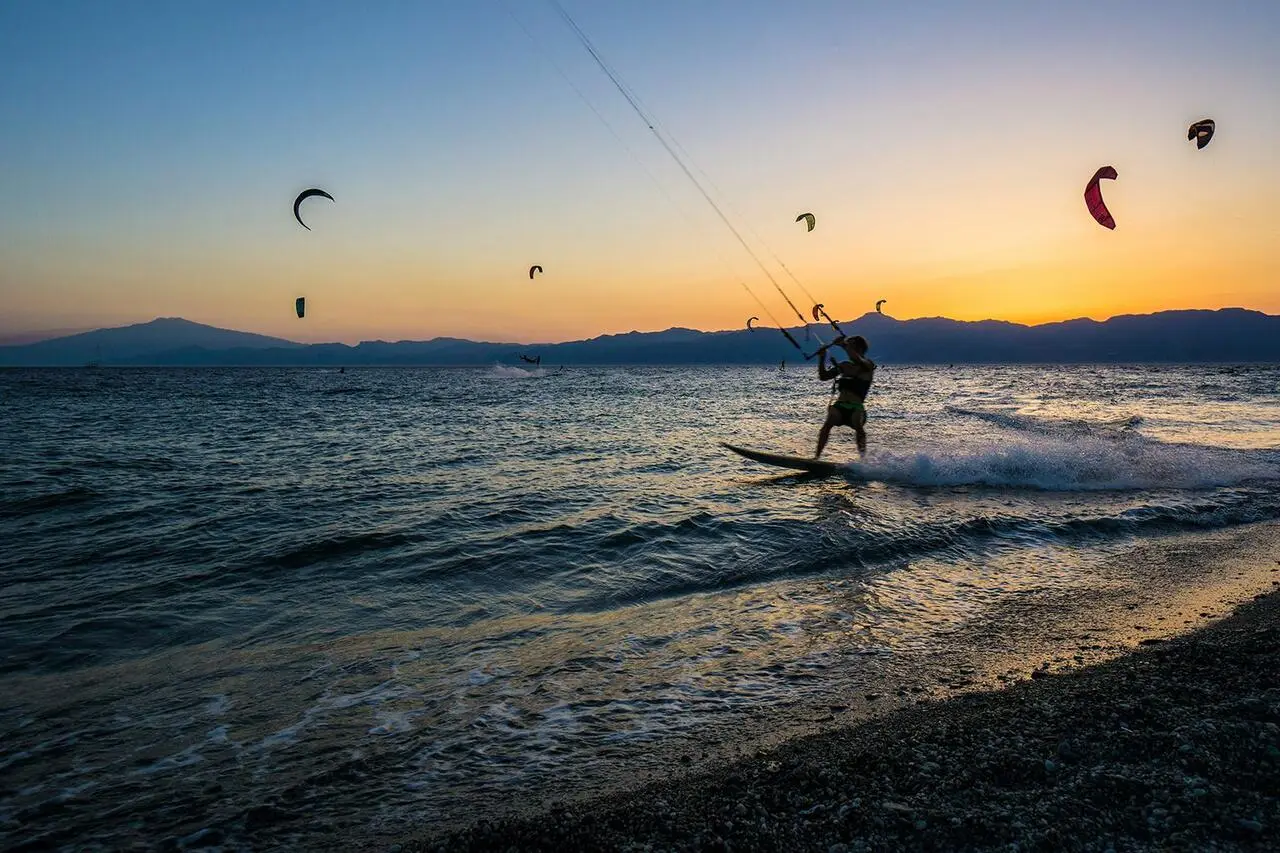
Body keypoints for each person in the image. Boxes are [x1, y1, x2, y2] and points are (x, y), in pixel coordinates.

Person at [815, 335, 875, 458]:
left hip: (856, 407)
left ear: (859, 348)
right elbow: (823, 376)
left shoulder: (868, 365)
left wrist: (843, 344)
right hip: (840, 406)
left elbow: (857, 359)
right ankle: (817, 457)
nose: (848, 349)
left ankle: (863, 460)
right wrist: (822, 358)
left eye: (851, 346)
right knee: (828, 424)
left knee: (858, 425)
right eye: (848, 346)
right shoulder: (844, 365)